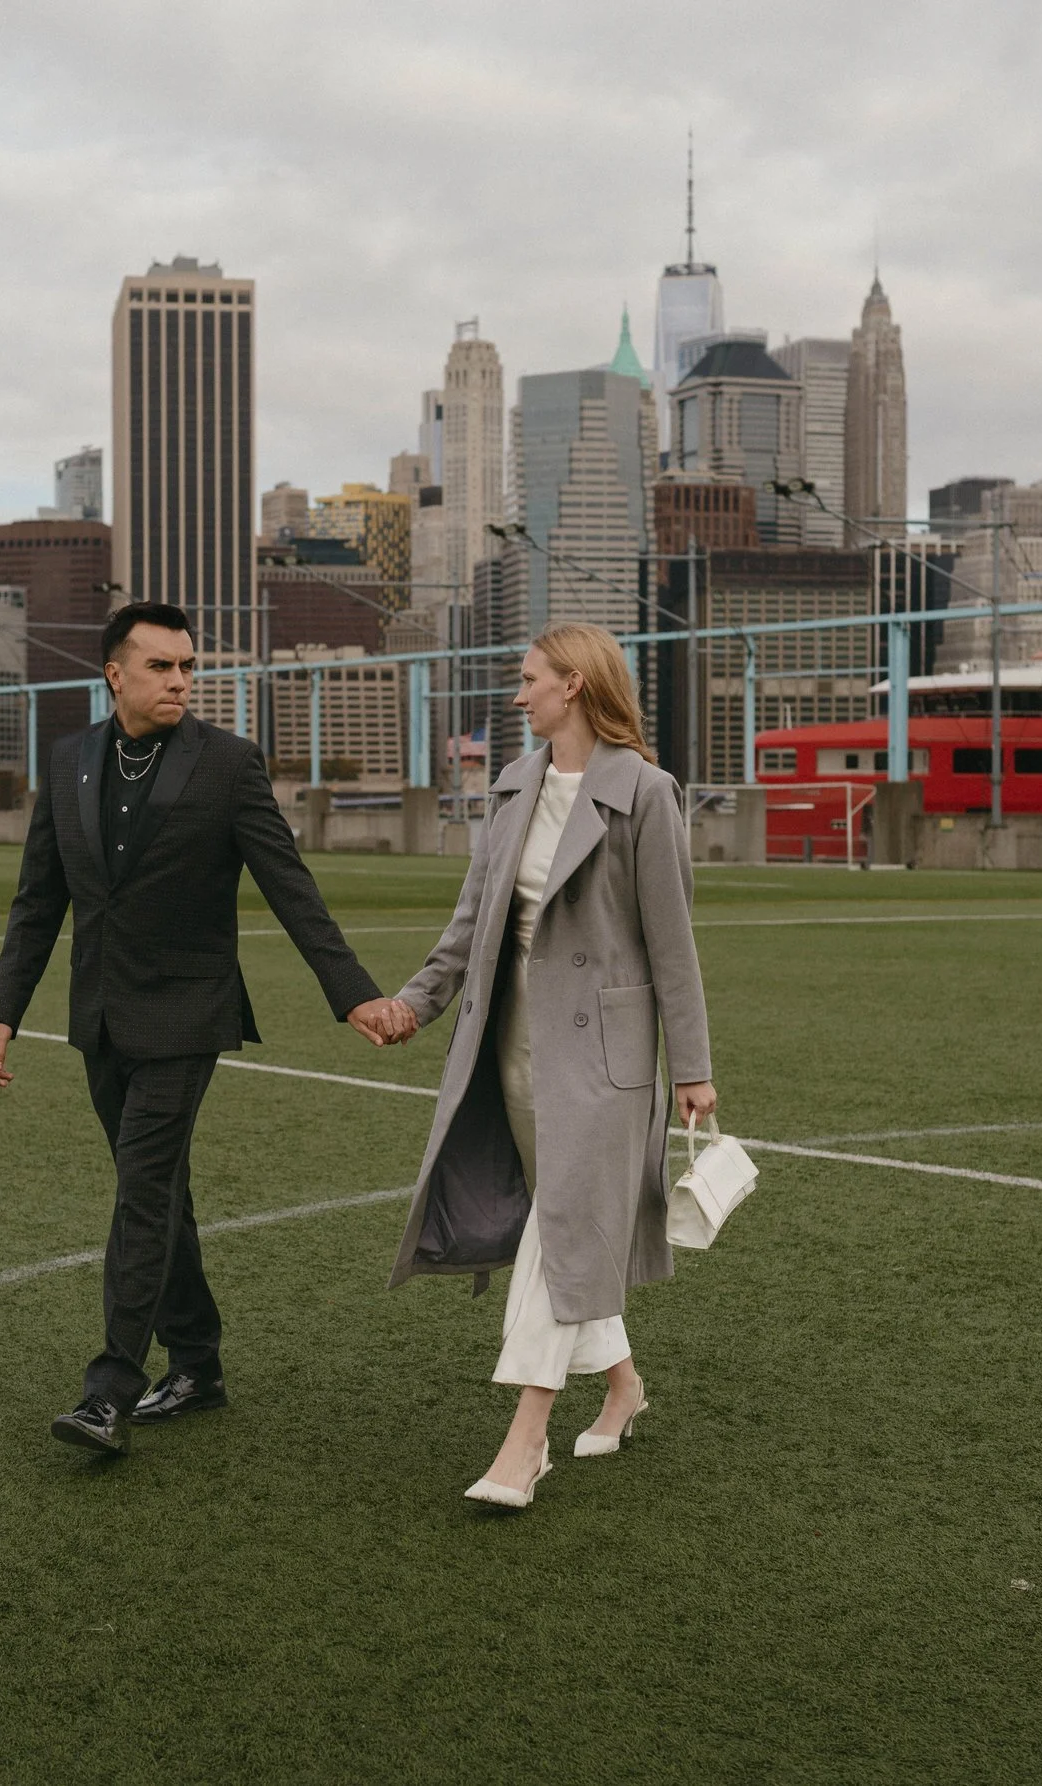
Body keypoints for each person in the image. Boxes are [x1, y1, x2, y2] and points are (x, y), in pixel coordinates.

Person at [0, 602, 401, 1457]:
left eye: (188, 667)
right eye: (163, 667)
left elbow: (291, 885)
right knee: (162, 1197)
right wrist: (4, 1008)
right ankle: (199, 1364)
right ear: (116, 674)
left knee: (140, 1191)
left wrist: (349, 991)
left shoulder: (229, 764)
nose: (181, 681)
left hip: (186, 1012)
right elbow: (39, 899)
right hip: (97, 1015)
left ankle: (109, 1393)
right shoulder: (68, 763)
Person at [355, 623, 714, 1509]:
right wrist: (412, 1002)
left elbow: (675, 947)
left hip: (603, 1057)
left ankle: (526, 1441)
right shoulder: (514, 785)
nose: (519, 698)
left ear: (576, 688)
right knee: (570, 1225)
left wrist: (694, 1069)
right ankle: (623, 1384)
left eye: (530, 681)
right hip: (510, 1044)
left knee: (558, 1231)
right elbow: (472, 926)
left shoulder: (646, 793)